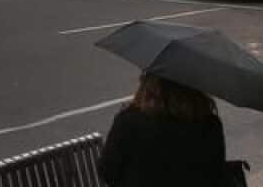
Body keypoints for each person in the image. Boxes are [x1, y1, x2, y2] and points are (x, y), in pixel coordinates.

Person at [97, 75, 226, 187]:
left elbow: (108, 171)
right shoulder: (210, 125)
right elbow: (216, 173)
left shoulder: (129, 123)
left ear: (149, 87)